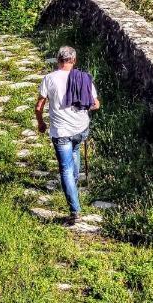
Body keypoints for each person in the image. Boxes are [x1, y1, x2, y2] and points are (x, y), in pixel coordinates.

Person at [35, 45, 100, 224]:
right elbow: (95, 105)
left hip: (61, 131)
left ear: (58, 60)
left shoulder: (49, 79)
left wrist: (41, 123)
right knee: (75, 153)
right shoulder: (84, 78)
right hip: (80, 128)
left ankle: (75, 210)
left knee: (65, 168)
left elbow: (39, 107)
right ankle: (73, 190)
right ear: (74, 60)